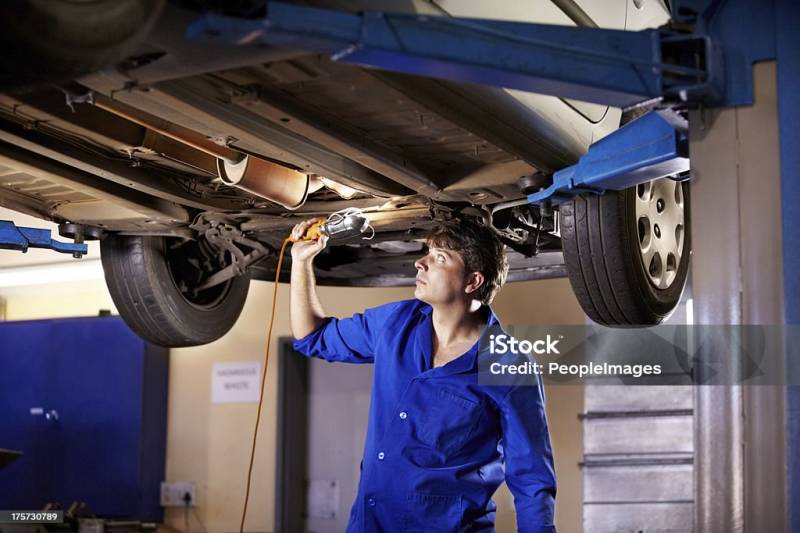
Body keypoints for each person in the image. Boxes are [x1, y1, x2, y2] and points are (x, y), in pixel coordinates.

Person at [290, 216, 556, 532]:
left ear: (472, 282)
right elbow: (313, 338)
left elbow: (531, 481)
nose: (420, 263)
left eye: (438, 258)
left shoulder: (510, 366)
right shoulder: (395, 322)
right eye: (426, 252)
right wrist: (301, 263)